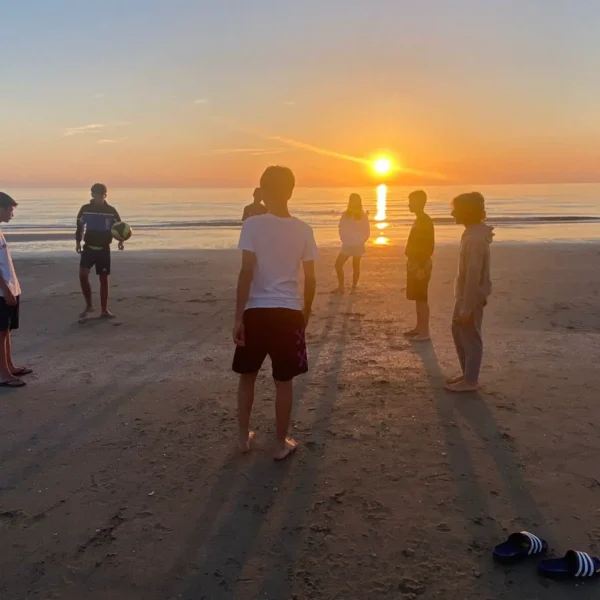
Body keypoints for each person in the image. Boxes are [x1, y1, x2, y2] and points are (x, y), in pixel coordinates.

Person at [232, 166, 318, 460]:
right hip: (288, 312)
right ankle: (280, 444)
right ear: (291, 191)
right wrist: (305, 312)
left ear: (263, 190)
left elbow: (246, 272)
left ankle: (244, 439)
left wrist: (238, 316)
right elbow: (312, 278)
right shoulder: (304, 229)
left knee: (248, 376)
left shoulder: (252, 225)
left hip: (257, 311)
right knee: (284, 381)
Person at [445, 192, 493, 393]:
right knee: (458, 331)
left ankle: (470, 381)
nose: (452, 213)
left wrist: (467, 305)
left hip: (470, 296)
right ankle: (467, 374)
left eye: (455, 209)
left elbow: (473, 274)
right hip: (466, 295)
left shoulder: (474, 239)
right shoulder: (472, 234)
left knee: (470, 335)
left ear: (466, 212)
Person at [76, 183, 124, 321]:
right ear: (92, 195)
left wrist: (121, 241)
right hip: (88, 248)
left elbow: (119, 227)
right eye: (96, 194)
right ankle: (89, 305)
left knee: (103, 279)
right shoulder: (85, 209)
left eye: (102, 195)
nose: (99, 197)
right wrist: (78, 241)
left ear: (105, 195)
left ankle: (104, 310)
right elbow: (79, 227)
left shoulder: (111, 210)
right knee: (83, 274)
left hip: (104, 249)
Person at [0, 192, 31, 387]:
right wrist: (7, 290)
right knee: (1, 332)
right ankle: (3, 374)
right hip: (2, 291)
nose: (12, 213)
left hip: (10, 288)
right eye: (10, 209)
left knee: (7, 330)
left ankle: (9, 366)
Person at [404, 190, 435, 341]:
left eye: (411, 201)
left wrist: (421, 267)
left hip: (420, 264)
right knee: (417, 297)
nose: (409, 204)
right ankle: (419, 327)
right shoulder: (419, 219)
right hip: (415, 263)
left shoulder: (424, 221)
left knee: (422, 297)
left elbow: (427, 246)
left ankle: (425, 332)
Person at [331, 193, 370, 294]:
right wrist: (343, 238)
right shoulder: (346, 214)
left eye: (355, 200)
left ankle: (353, 287)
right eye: (352, 200)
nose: (353, 202)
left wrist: (361, 240)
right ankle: (341, 287)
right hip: (348, 243)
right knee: (338, 265)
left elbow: (366, 231)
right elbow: (341, 227)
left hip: (358, 243)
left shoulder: (362, 215)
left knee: (355, 265)